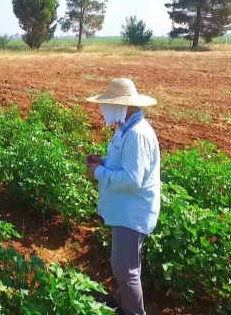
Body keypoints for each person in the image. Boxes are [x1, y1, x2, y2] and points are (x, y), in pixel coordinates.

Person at [85, 78, 160, 315]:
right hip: (124, 210)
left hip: (132, 213)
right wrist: (104, 162)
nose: (104, 110)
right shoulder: (124, 129)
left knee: (125, 270)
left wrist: (98, 172)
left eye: (107, 105)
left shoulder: (137, 135)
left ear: (122, 105)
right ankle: (120, 301)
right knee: (125, 265)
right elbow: (123, 165)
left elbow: (132, 179)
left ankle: (134, 312)